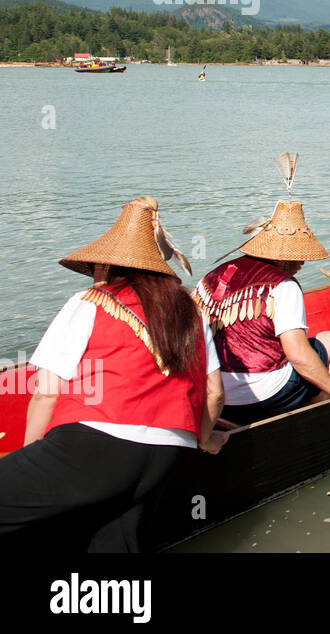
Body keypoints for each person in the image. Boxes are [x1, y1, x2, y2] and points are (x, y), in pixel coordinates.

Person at [0, 197, 225, 552]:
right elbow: (214, 394)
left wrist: (33, 456)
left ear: (108, 264)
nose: (94, 274)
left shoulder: (88, 302)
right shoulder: (190, 310)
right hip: (165, 454)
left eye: (96, 267)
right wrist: (203, 438)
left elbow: (46, 392)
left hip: (93, 443)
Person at [197, 200, 330, 426]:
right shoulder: (282, 285)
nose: (303, 261)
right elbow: (298, 355)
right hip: (265, 392)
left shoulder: (211, 276)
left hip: (213, 388)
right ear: (282, 255)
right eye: (299, 254)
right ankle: (322, 410)